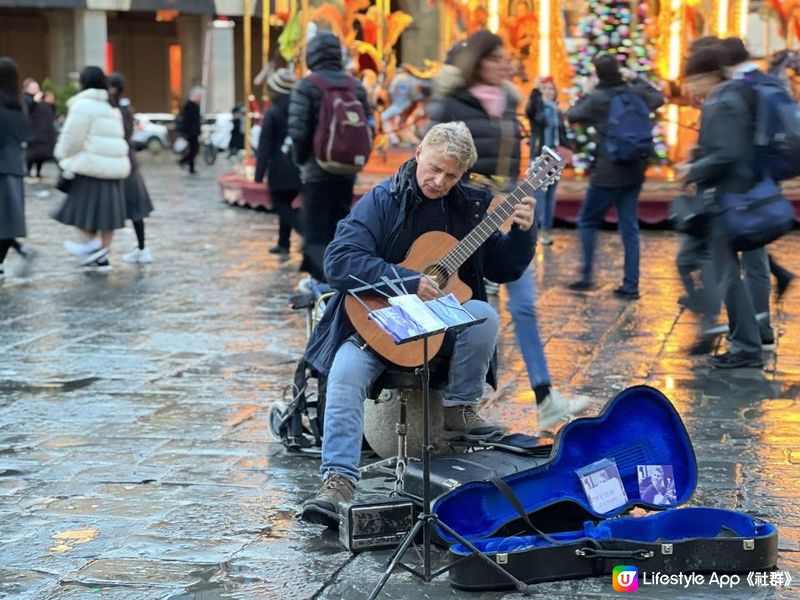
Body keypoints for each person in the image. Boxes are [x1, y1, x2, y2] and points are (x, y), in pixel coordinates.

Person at [300, 122, 536, 526]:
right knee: (344, 372)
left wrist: (522, 234)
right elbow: (339, 261)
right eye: (434, 169)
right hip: (379, 323)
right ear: (418, 156)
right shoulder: (382, 200)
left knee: (484, 314)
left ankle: (459, 408)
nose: (439, 181)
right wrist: (410, 281)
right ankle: (338, 479)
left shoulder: (470, 207)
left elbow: (504, 266)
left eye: (451, 175)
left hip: (439, 328)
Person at [429, 31, 590, 433]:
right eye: (497, 57)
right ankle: (460, 394)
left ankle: (545, 396)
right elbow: (436, 159)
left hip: (505, 206)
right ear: (478, 60)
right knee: (479, 307)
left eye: (507, 57)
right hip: (465, 216)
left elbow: (512, 165)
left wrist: (523, 197)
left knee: (525, 303)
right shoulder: (453, 102)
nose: (505, 64)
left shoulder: (510, 103)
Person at [676, 47, 764, 368]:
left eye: (695, 79)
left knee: (726, 274)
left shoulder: (725, 101)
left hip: (726, 199)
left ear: (711, 75)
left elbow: (728, 154)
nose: (691, 87)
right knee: (715, 269)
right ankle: (738, 336)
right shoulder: (722, 99)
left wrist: (693, 170)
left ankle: (746, 346)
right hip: (723, 198)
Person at [566, 55, 665, 299]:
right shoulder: (635, 93)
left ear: (598, 75)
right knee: (629, 226)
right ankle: (631, 285)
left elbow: (572, 114)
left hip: (607, 172)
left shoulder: (598, 99)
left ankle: (587, 276)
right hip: (635, 169)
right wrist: (637, 78)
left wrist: (587, 91)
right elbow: (659, 98)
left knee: (588, 222)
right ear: (620, 72)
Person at [287, 32, 372, 283]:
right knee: (340, 227)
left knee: (315, 231)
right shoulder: (355, 86)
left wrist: (301, 160)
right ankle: (339, 277)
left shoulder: (307, 85)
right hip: (347, 170)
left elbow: (298, 130)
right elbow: (369, 125)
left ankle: (322, 284)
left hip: (317, 170)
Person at [53, 66, 130, 272]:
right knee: (107, 218)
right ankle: (102, 256)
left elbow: (71, 137)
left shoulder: (83, 105)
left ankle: (92, 247)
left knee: (78, 213)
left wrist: (62, 154)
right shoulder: (110, 105)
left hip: (90, 167)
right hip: (112, 169)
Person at [255, 68, 302, 256]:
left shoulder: (272, 112)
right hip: (299, 165)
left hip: (279, 167)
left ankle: (304, 231)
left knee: (280, 204)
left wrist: (259, 173)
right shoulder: (301, 109)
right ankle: (284, 243)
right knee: (287, 203)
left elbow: (265, 143)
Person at [108, 73, 154, 264]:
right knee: (134, 208)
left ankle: (140, 248)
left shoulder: (117, 110)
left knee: (129, 207)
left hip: (120, 162)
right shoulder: (124, 109)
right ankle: (141, 248)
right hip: (126, 161)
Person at [0, 58, 33, 283]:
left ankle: (20, 251)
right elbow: (24, 135)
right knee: (8, 220)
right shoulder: (19, 105)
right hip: (14, 168)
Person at [525, 76, 568, 245]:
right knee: (539, 196)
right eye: (545, 89)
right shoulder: (538, 109)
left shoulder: (557, 111)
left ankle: (546, 232)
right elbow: (532, 111)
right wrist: (536, 91)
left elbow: (562, 135)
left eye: (551, 89)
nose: (549, 92)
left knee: (550, 196)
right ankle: (532, 231)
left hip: (556, 156)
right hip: (541, 156)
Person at [22, 77, 56, 182]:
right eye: (33, 87)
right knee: (32, 154)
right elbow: (27, 110)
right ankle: (27, 172)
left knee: (42, 153)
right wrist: (35, 100)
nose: (35, 89)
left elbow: (51, 111)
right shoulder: (25, 98)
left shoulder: (41, 97)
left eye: (36, 87)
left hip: (43, 131)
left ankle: (38, 173)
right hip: (33, 131)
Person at [177, 87, 202, 174]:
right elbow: (188, 120)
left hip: (193, 131)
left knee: (194, 149)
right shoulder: (190, 105)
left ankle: (188, 164)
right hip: (191, 132)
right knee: (194, 149)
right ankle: (186, 163)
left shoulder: (193, 105)